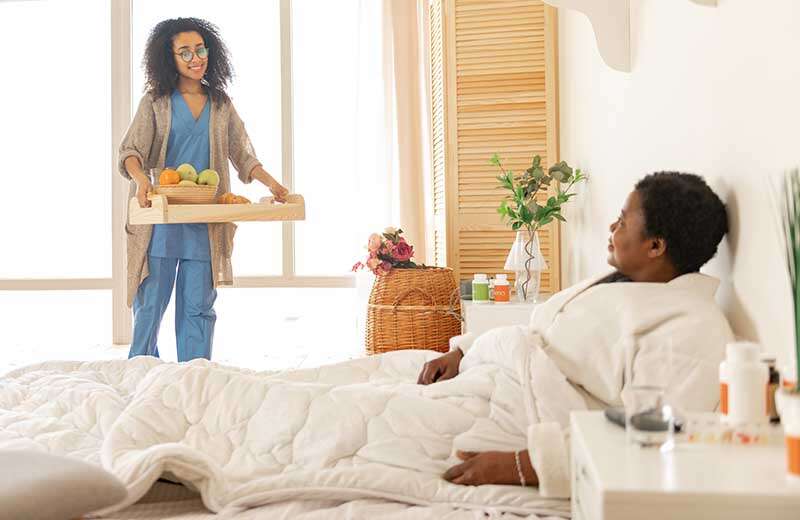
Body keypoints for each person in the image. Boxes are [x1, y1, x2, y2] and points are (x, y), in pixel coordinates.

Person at [418, 172, 732, 493]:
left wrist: (523, 466)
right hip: (496, 378)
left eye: (623, 222)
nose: (612, 228)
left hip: (529, 419)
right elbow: (540, 332)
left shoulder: (692, 330)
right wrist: (464, 352)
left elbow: (648, 440)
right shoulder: (624, 283)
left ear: (655, 245)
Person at [118, 18, 288, 361]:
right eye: (185, 52)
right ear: (170, 58)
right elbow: (131, 151)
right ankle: (139, 377)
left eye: (200, 49)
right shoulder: (156, 102)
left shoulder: (221, 103)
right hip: (162, 222)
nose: (196, 58)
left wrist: (274, 184)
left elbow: (243, 154)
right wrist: (141, 182)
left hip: (204, 221)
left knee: (198, 309)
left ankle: (196, 378)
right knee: (149, 308)